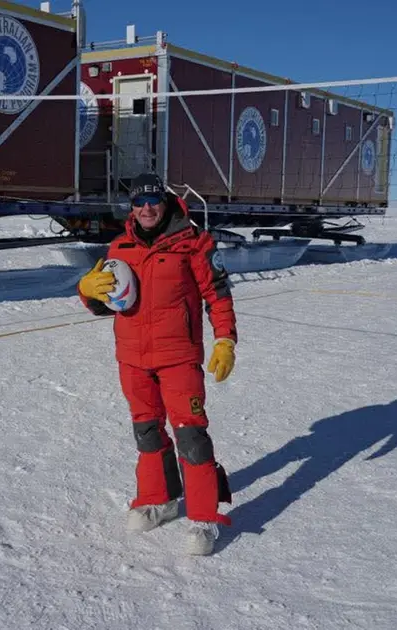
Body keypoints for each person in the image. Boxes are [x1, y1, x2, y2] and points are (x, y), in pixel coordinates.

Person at [77, 172, 238, 556]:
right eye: (139, 202)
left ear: (165, 203)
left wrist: (225, 340)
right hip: (132, 359)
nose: (146, 208)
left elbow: (218, 294)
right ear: (131, 207)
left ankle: (203, 518)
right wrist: (87, 291)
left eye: (153, 201)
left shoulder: (194, 243)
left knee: (191, 435)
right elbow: (110, 301)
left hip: (178, 357)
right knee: (147, 432)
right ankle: (159, 500)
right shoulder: (119, 246)